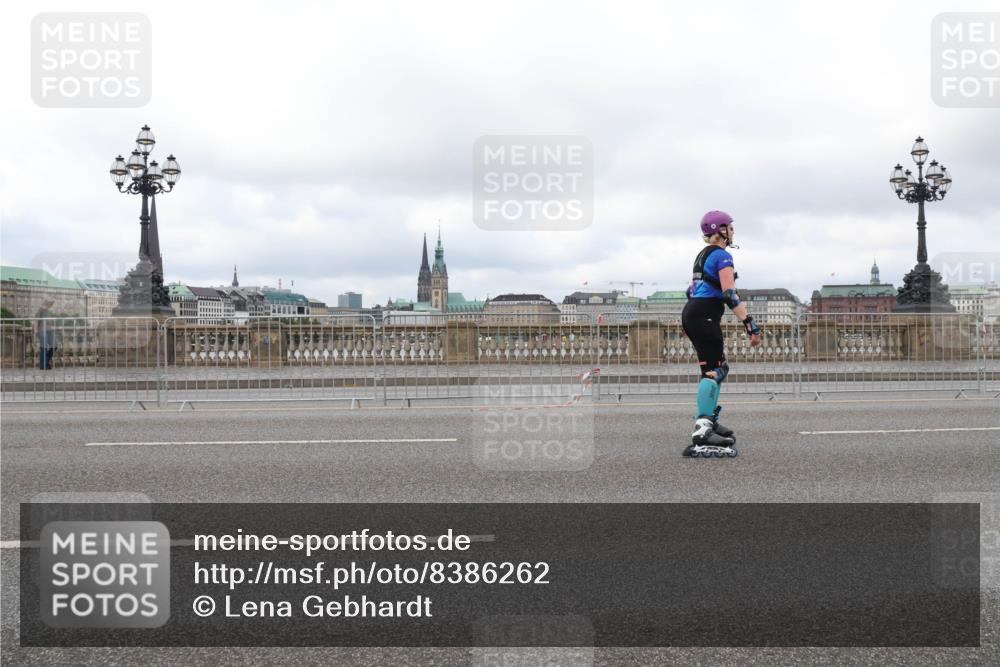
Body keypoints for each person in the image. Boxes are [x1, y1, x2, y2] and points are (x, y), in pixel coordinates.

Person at [681, 211, 761, 458]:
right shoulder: (723, 256)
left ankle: (709, 420)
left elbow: (691, 290)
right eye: (731, 228)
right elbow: (729, 294)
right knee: (715, 370)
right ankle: (702, 430)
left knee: (716, 367)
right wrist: (750, 325)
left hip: (694, 313)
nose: (733, 231)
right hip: (704, 315)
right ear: (722, 230)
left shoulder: (702, 255)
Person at [34, 300, 57, 370]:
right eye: (50, 304)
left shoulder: (48, 311)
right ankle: (43, 365)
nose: (51, 305)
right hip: (42, 331)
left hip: (49, 331)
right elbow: (36, 320)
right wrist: (36, 331)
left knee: (54, 346)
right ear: (46, 303)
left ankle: (45, 362)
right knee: (43, 348)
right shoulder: (40, 310)